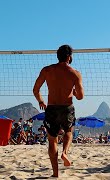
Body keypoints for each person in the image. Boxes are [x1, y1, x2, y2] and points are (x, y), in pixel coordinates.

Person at [33, 44, 84, 177]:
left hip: (51, 107)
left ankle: (55, 173)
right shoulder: (75, 73)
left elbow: (35, 89)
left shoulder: (47, 70)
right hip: (67, 107)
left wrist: (40, 101)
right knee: (68, 131)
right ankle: (65, 153)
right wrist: (73, 92)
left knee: (52, 139)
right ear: (69, 57)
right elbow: (81, 96)